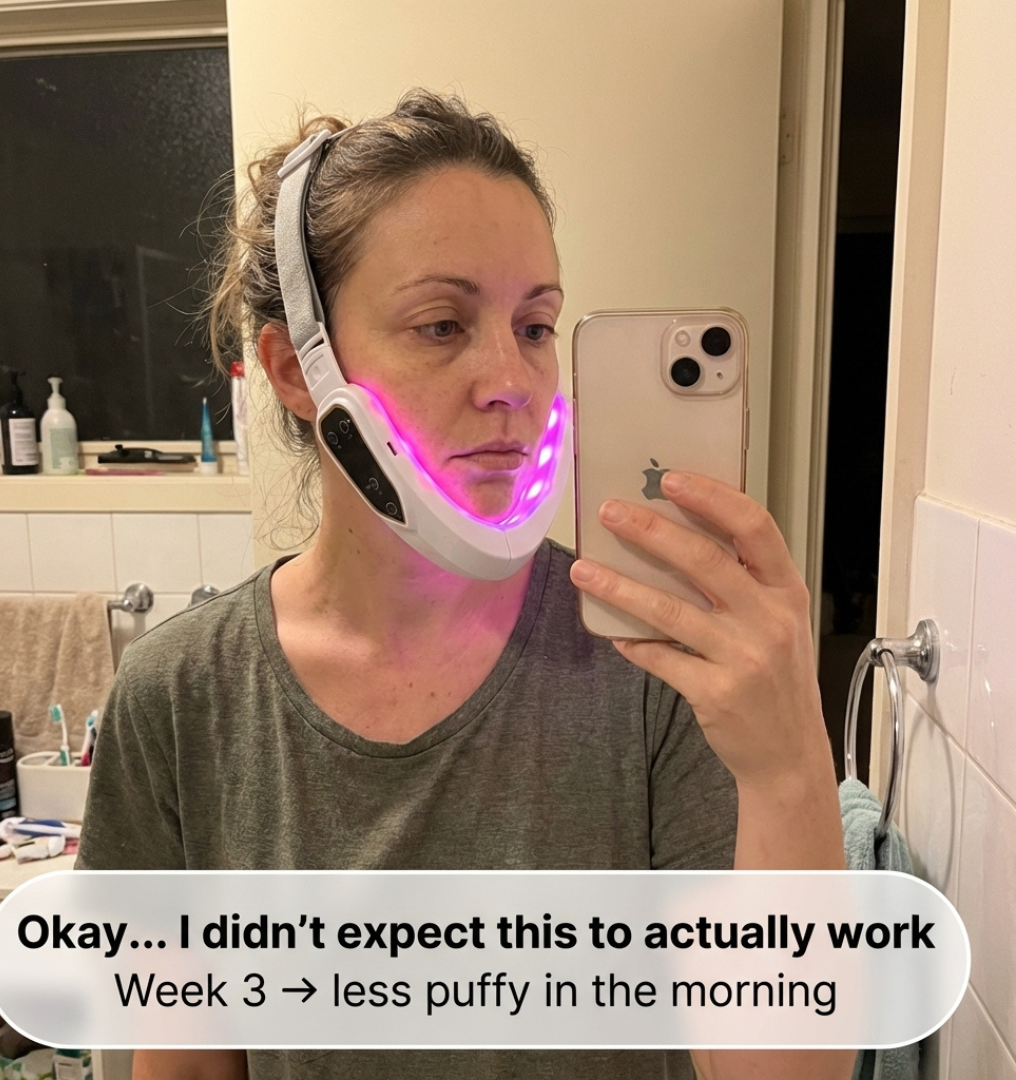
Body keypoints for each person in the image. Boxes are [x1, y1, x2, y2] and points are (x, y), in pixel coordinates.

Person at [77, 89, 854, 1080]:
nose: (513, 382)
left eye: (535, 326)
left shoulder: (657, 663)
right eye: (442, 325)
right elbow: (186, 1065)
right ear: (295, 371)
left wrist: (788, 770)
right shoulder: (181, 697)